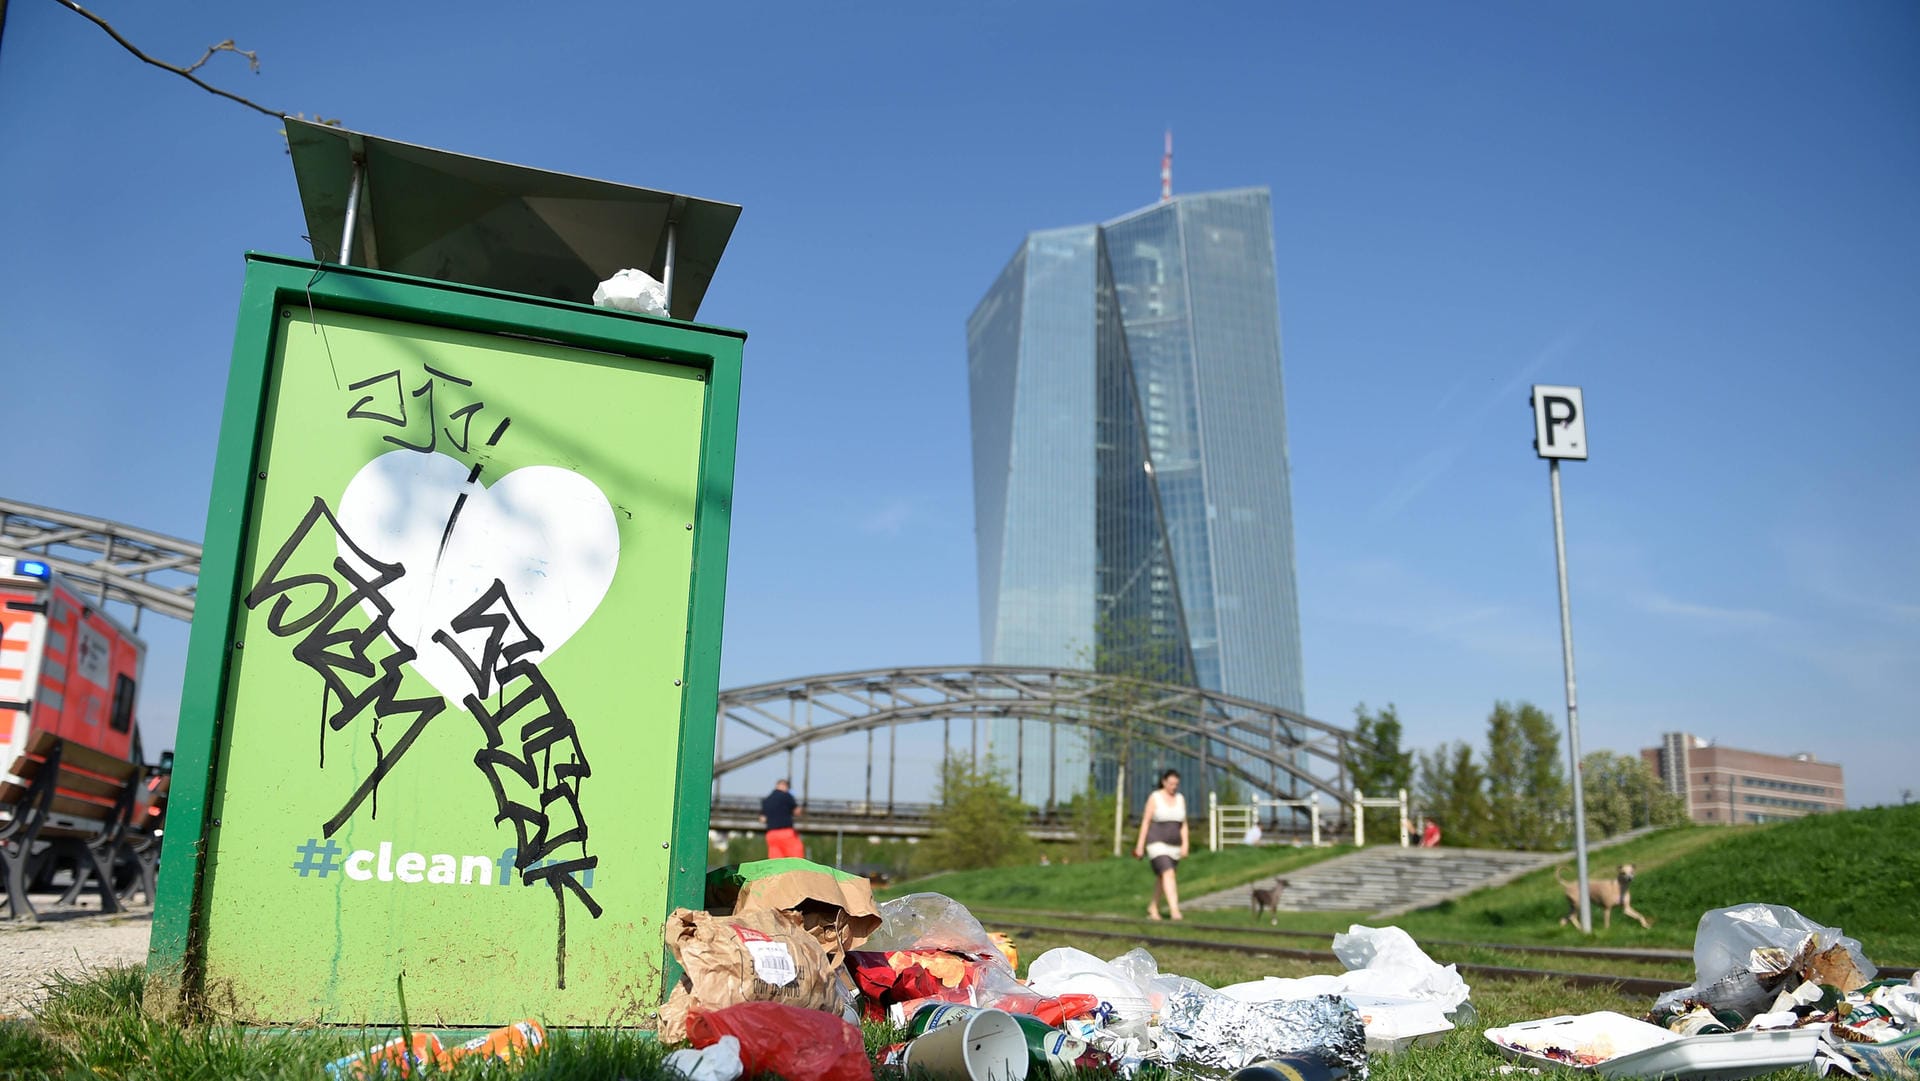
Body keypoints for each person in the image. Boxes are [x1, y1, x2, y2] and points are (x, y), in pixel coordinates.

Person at [1132, 769, 1189, 920]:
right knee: (1168, 873)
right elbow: (1146, 822)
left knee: (1163, 877)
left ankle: (1153, 907)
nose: (1174, 787)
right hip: (1156, 842)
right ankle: (1175, 910)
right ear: (1164, 782)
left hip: (1174, 845)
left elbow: (1183, 824)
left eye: (1176, 784)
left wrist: (1185, 844)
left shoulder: (1180, 799)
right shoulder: (1155, 797)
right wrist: (1140, 845)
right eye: (1171, 784)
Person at [759, 778, 803, 859]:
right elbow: (797, 812)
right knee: (796, 860)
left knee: (776, 862)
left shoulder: (767, 800)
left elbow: (762, 819)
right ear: (785, 786)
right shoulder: (786, 796)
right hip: (786, 833)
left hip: (771, 834)